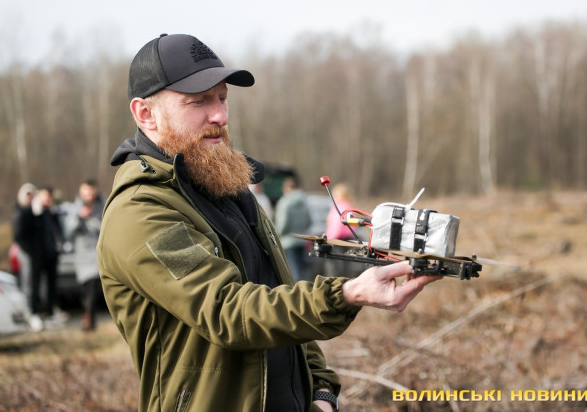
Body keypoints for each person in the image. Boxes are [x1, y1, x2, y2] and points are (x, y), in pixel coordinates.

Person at [97, 33, 440, 412]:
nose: (220, 116)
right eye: (198, 101)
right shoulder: (140, 211)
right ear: (146, 114)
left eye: (222, 98)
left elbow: (279, 294)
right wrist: (347, 294)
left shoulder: (230, 190)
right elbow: (227, 311)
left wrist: (321, 391)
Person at [17, 186, 63, 325]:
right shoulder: (29, 212)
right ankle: (33, 313)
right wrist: (33, 252)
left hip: (51, 255)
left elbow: (58, 232)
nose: (48, 199)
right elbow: (20, 236)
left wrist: (58, 247)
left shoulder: (52, 212)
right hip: (36, 257)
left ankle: (50, 313)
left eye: (50, 196)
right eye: (45, 196)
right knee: (34, 286)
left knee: (51, 286)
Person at [65, 179, 105, 330]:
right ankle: (88, 316)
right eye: (86, 191)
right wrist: (80, 216)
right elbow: (68, 230)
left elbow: (107, 226)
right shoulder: (75, 208)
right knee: (87, 288)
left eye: (91, 190)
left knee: (95, 285)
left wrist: (93, 222)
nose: (89, 194)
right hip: (82, 256)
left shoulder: (104, 205)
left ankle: (90, 318)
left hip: (99, 252)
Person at [274, 175, 313, 281]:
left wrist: (276, 235)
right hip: (302, 241)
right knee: (303, 270)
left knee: (293, 272)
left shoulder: (284, 202)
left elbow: (283, 224)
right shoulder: (305, 201)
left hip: (288, 242)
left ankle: (298, 291)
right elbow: (309, 221)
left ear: (287, 188)